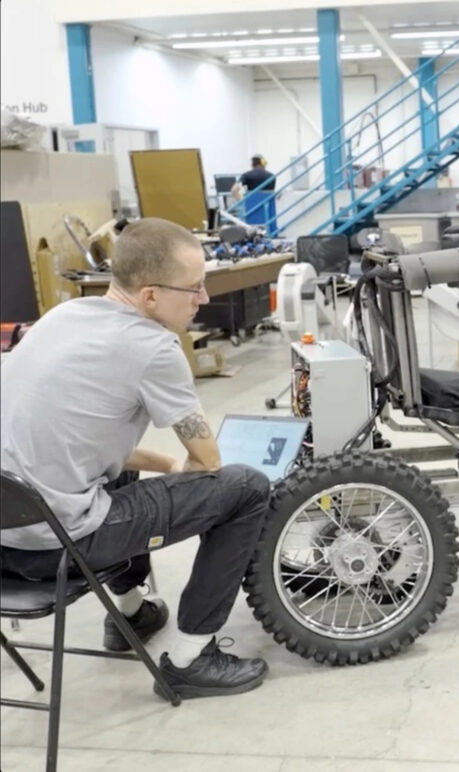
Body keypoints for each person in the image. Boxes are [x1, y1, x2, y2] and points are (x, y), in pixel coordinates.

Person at [0, 218, 272, 699]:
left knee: (125, 473)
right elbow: (208, 459)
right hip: (55, 550)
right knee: (246, 487)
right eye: (194, 287)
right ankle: (192, 657)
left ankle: (129, 614)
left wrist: (167, 467)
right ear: (150, 295)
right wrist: (187, 470)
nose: (204, 298)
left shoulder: (65, 316)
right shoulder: (153, 347)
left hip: (6, 536)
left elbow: (79, 441)